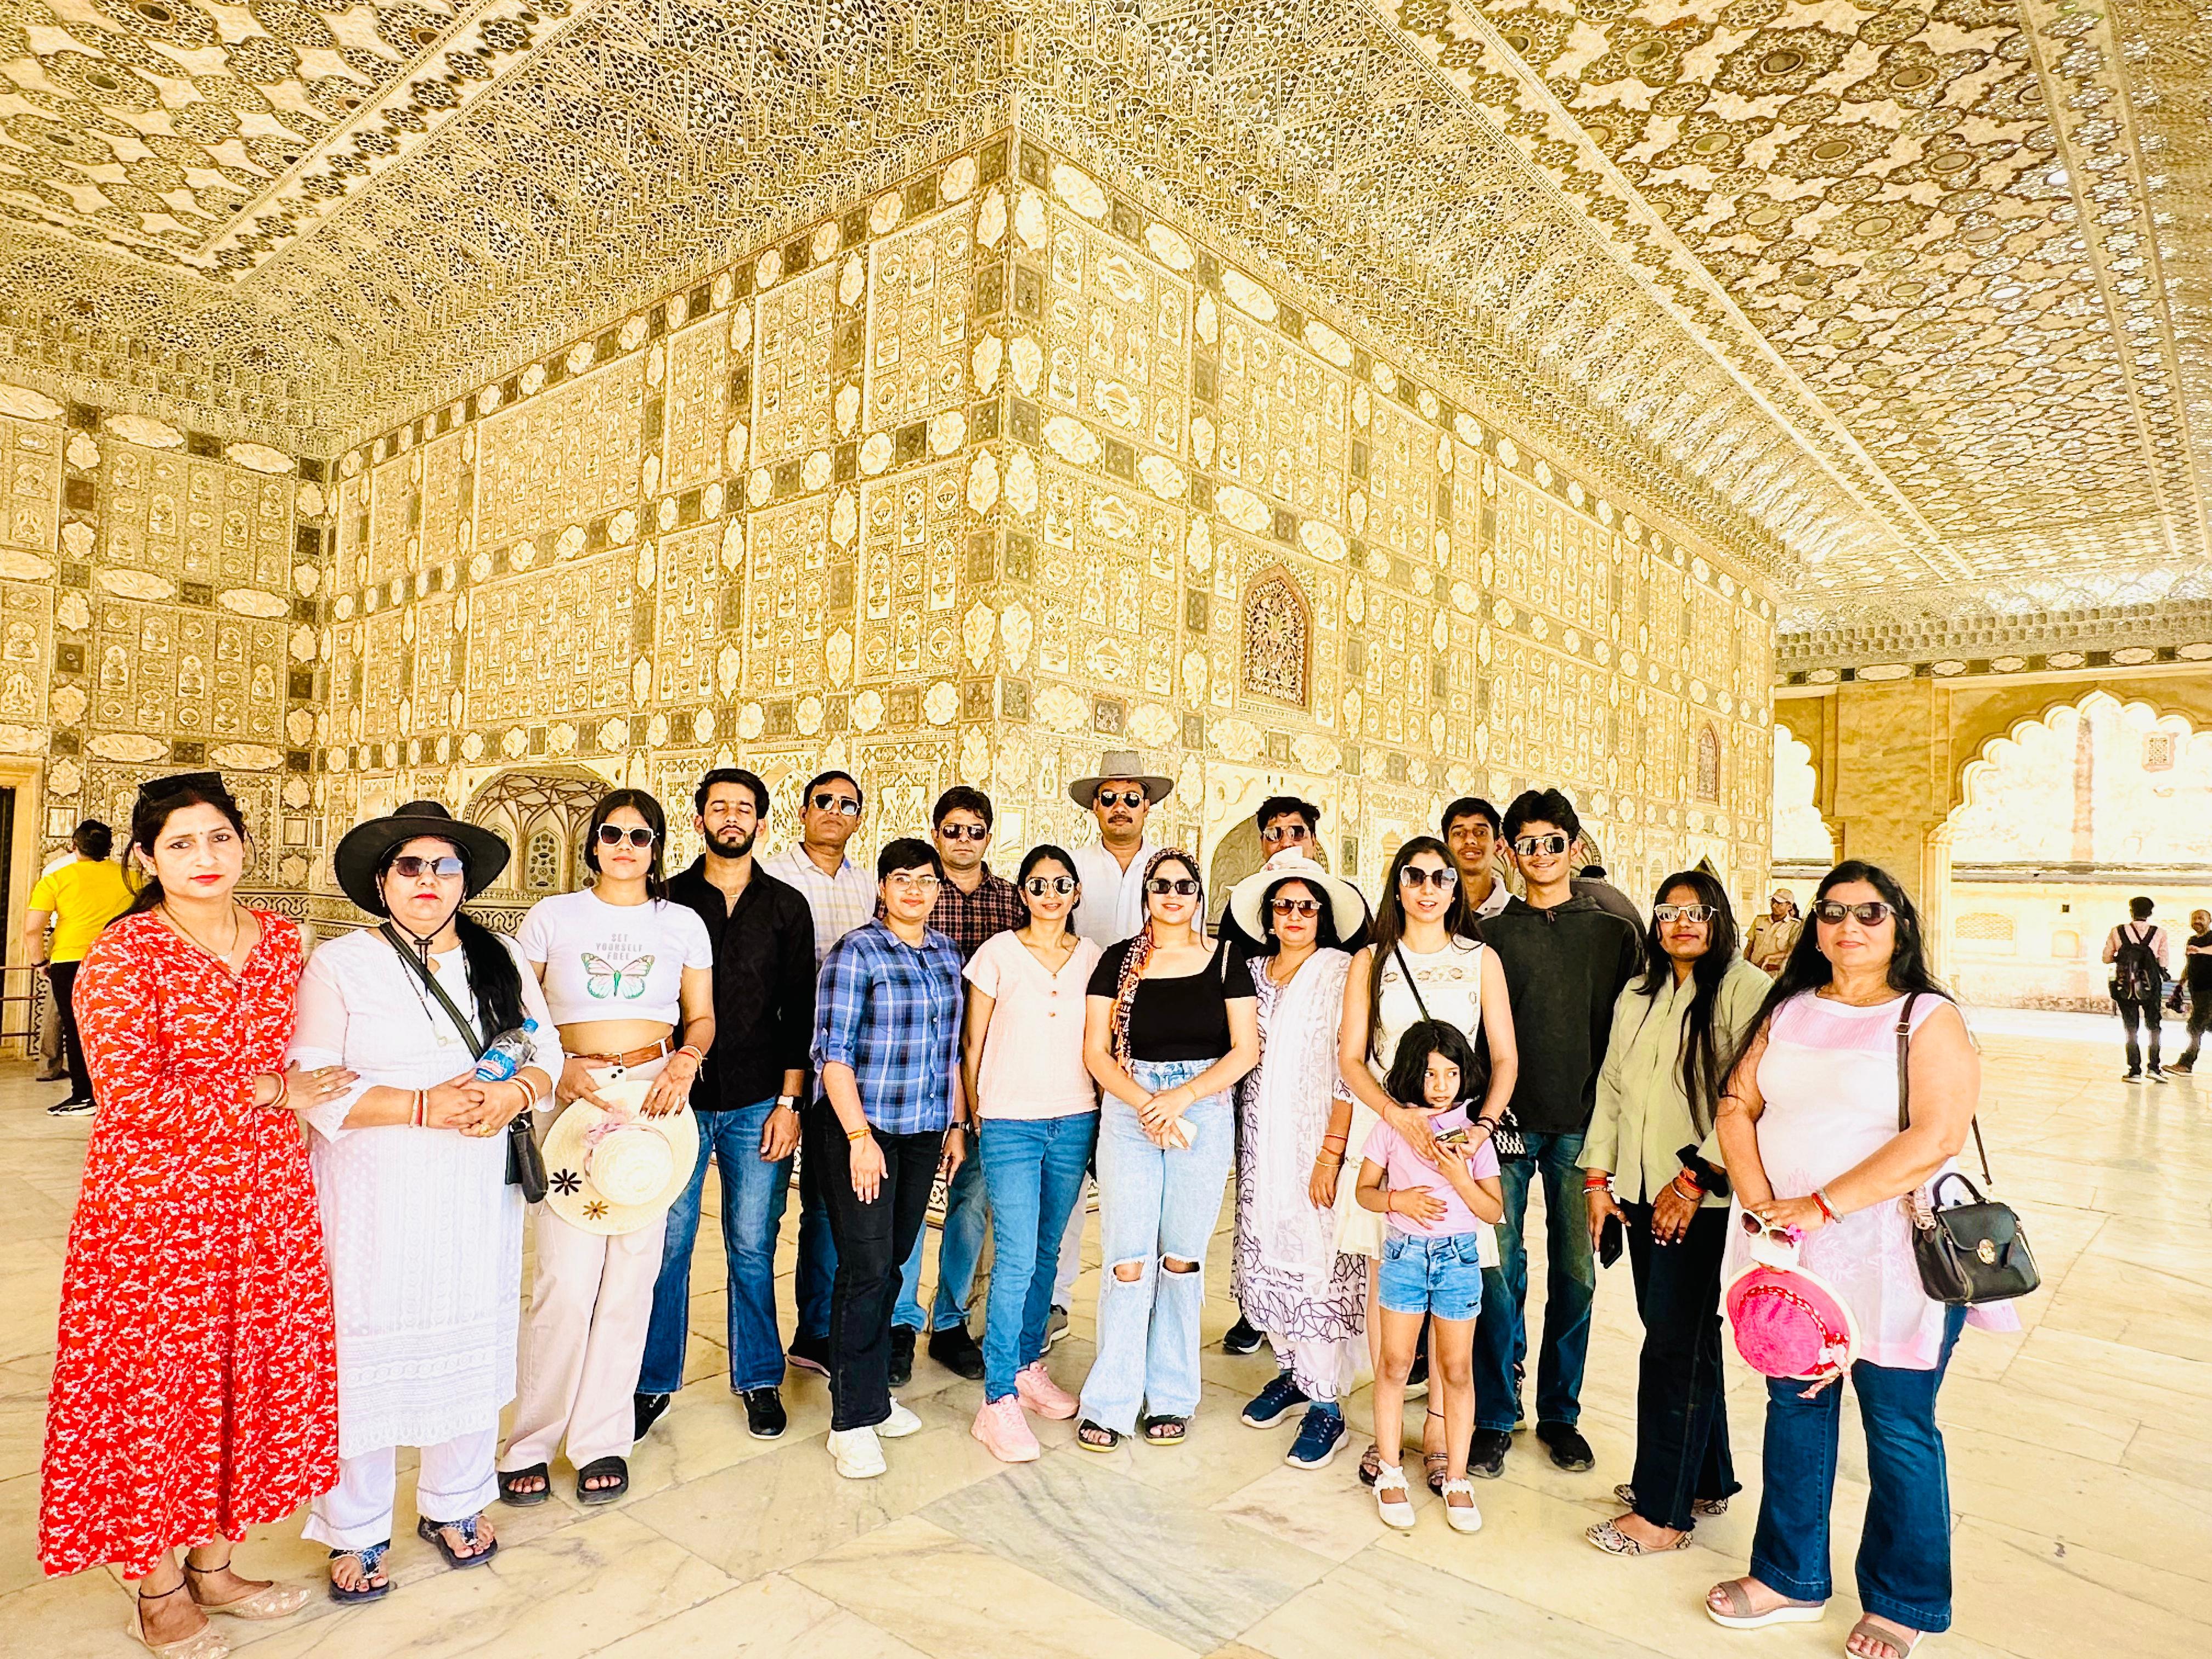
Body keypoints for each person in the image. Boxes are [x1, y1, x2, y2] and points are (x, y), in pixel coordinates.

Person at [39, 772, 354, 1655]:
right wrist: (271, 1089)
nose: (204, 857)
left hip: (265, 1197)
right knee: (154, 1388)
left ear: (244, 843)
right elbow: (132, 1097)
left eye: (219, 837)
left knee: (242, 1375)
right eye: (179, 844)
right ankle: (158, 1585)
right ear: (147, 858)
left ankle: (216, 1565)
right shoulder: (124, 952)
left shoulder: (283, 940)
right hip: (156, 1208)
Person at [1706, 861, 2006, 1659]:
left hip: (1891, 1255)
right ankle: (1788, 1576)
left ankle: (1904, 1601)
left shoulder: (1926, 1017)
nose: (1850, 927)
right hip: (1791, 1252)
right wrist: (1763, 1203)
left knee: (1898, 1424)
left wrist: (1822, 1204)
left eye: (1870, 913)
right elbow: (1737, 1104)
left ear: (1899, 925)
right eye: (1833, 912)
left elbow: (1937, 1137)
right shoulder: (1789, 1008)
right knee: (1794, 1406)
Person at [294, 802, 558, 1602]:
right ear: (383, 881)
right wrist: (420, 1106)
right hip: (372, 1193)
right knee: (363, 1355)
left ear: (464, 882)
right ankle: (357, 1527)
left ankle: (455, 1502)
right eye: (410, 866)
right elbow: (314, 1081)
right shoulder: (340, 963)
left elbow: (544, 1054)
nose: (428, 881)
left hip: (472, 1192)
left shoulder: (498, 956)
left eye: (445, 867)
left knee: (471, 1336)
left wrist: (513, 1095)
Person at [500, 788, 714, 1509]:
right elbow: (516, 1011)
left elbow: (702, 1016)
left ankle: (601, 1440)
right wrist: (557, 1065)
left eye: (640, 836)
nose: (626, 846)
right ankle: (531, 1441)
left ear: (657, 848)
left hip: (654, 1102)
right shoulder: (553, 916)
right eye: (613, 834)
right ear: (593, 843)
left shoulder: (681, 922)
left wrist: (686, 1062)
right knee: (564, 1279)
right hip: (574, 1098)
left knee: (631, 1278)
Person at [1581, 871, 1769, 1556]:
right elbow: (1611, 1086)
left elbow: (1751, 1095)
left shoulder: (1746, 989)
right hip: (1638, 1190)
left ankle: (1662, 1514)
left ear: (1720, 919)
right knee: (1682, 1336)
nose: (1682, 923)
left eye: (1697, 912)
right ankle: (1704, 1478)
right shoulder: (1640, 991)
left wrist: (1695, 1180)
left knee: (1671, 1345)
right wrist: (1597, 1178)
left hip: (1699, 1197)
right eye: (1669, 912)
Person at [640, 769, 815, 1443]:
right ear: (699, 821)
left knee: (751, 1244)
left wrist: (790, 1102)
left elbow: (799, 1008)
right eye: (720, 808)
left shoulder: (786, 906)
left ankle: (759, 1377)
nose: (732, 817)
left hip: (757, 1100)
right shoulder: (666, 901)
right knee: (668, 1245)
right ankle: (652, 1381)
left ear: (762, 824)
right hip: (673, 1100)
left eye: (745, 808)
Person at [1470, 788, 1641, 1477]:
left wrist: (1615, 1134)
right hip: (1506, 1123)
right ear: (1509, 852)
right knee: (1497, 1272)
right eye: (1527, 844)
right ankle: (1494, 1413)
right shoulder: (1489, 937)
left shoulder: (1612, 935)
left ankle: (1560, 1413)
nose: (1541, 855)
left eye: (1553, 842)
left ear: (1574, 847)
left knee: (1576, 1275)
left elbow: (1628, 1041)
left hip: (1582, 1130)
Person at [1339, 835, 1519, 1489]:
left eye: (1440, 877)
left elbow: (1505, 1057)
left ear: (1455, 887)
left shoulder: (1479, 959)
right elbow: (1351, 1059)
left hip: (1457, 1135)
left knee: (1452, 1280)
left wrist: (1481, 1129)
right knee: (1388, 1275)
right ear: (1398, 884)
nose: (1428, 888)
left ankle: (1442, 1430)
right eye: (1414, 876)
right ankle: (1384, 1436)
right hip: (1391, 1126)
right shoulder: (1372, 960)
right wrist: (1397, 1116)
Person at [1075, 850, 1260, 1450]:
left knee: (1181, 1259)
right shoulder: (1118, 961)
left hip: (1200, 1107)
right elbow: (1097, 1052)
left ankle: (1172, 1396)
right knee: (1127, 1261)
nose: (1173, 895)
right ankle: (1111, 1401)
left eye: (1184, 886)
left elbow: (1245, 1050)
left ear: (1199, 896)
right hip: (1131, 1108)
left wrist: (1181, 1097)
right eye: (1162, 886)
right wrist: (1146, 1103)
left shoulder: (1226, 960)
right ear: (1147, 895)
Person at [809, 838, 969, 1479]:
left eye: (926, 880)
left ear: (937, 890)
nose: (914, 890)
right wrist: (858, 1138)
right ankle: (850, 1421)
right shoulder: (856, 952)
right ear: (882, 887)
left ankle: (872, 1394)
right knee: (866, 1267)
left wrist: (955, 1125)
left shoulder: (947, 953)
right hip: (862, 1130)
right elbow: (834, 1056)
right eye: (901, 879)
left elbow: (951, 1051)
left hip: (922, 1130)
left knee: (894, 1261)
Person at [1224, 854, 1372, 1469]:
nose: (1294, 915)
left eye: (1307, 906)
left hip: (1316, 1138)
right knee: (1265, 1251)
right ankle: (1293, 1373)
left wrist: (1332, 1152)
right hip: (1262, 1140)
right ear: (1268, 917)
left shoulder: (1342, 971)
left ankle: (1327, 1406)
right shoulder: (1249, 972)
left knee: (1317, 1262)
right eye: (1283, 905)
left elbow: (1352, 1059)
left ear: (1322, 916)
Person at [962, 844, 1102, 1461]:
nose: (1050, 894)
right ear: (1022, 893)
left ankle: (1024, 1366)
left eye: (1061, 884)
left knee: (1048, 1249)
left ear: (1076, 893)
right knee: (1016, 1255)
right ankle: (996, 1400)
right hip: (1010, 1122)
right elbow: (973, 1043)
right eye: (1038, 884)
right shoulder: (997, 953)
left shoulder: (1092, 958)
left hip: (1073, 1117)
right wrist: (975, 1115)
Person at [892, 786, 1025, 1386]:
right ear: (936, 833)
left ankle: (949, 1320)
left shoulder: (1011, 900)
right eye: (953, 830)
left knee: (971, 1203)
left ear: (988, 837)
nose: (963, 840)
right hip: (921, 1070)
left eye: (975, 831)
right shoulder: (919, 892)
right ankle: (899, 1320)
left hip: (992, 1072)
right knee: (910, 1203)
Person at [1358, 1021, 1506, 1534]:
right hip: (1404, 1255)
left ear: (1465, 1075)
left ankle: (1458, 1478)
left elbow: (1492, 1211)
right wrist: (1398, 1200)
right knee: (1395, 1363)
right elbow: (1364, 1192)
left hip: (1458, 1260)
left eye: (1451, 1073)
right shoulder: (1393, 1129)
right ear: (1410, 1074)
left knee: (1457, 1369)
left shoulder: (1473, 1138)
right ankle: (1389, 1469)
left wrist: (1460, 1176)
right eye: (1429, 1074)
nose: (1441, 1085)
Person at [1053, 750, 1175, 1331]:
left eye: (1132, 798)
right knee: (1070, 1175)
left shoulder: (1170, 870)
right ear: (1094, 807)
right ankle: (1054, 1300)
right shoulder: (1072, 870)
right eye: (1110, 798)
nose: (1121, 807)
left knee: (1152, 1175)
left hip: (1155, 1045)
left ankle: (1152, 1301)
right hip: (1080, 1035)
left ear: (1147, 806)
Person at [763, 769, 874, 1373]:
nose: (835, 810)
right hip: (785, 1057)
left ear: (859, 817)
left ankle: (818, 1332)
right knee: (764, 1211)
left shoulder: (867, 884)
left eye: (847, 804)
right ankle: (770, 1344)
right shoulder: (774, 876)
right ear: (802, 812)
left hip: (845, 1064)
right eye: (823, 801)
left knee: (830, 1204)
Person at [23, 818, 136, 1115]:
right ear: (109, 848)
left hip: (70, 960)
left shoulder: (57, 878)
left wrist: (39, 961)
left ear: (75, 846)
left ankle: (84, 1096)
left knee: (76, 1028)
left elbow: (33, 929)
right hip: (116, 959)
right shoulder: (132, 878)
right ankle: (119, 1094)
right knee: (118, 1027)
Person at [2104, 895, 2171, 1082]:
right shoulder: (2159, 933)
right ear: (2150, 913)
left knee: (2131, 1027)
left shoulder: (2117, 931)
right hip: (2151, 985)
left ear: (2131, 911)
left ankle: (2134, 1070)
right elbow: (2163, 962)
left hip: (2126, 985)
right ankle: (2154, 1068)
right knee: (2154, 1026)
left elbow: (2106, 958)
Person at [1441, 797, 1511, 919]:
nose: (1470, 840)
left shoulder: (1519, 912)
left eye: (1480, 832)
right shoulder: (1432, 908)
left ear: (1498, 846)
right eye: (1459, 833)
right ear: (1446, 849)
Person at [2172, 909, 2212, 1074]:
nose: (2197, 921)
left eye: (2201, 918)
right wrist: (2180, 984)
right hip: (2197, 990)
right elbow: (2190, 965)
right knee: (2205, 1024)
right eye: (2194, 918)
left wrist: (2200, 950)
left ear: (2209, 920)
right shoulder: (2192, 940)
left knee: (2195, 1026)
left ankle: (2186, 1063)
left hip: (2210, 990)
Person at [1746, 890, 1803, 975]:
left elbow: (1792, 952)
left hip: (1776, 974)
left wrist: (1769, 957)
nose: (1774, 906)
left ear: (1789, 907)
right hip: (1754, 971)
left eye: (1779, 903)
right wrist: (1745, 964)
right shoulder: (1759, 921)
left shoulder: (1795, 926)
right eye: (1773, 902)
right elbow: (1749, 946)